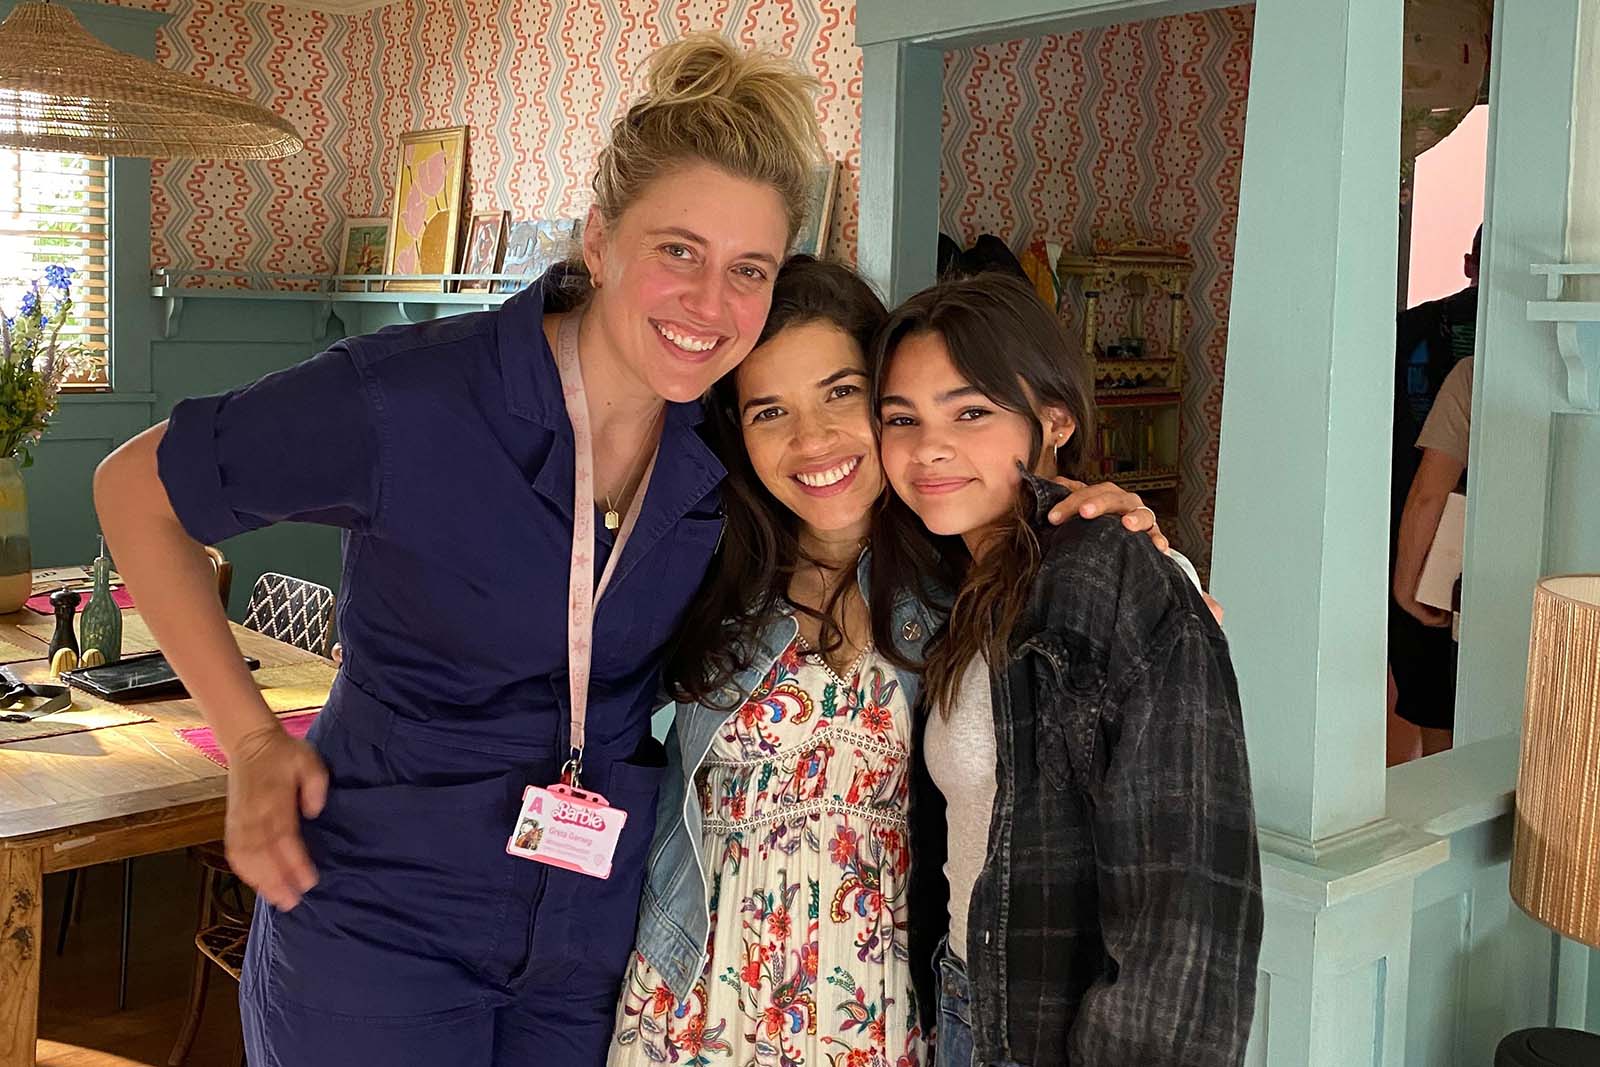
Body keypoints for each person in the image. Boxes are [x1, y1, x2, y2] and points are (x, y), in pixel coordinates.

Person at [93, 35, 825, 1067]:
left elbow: (891, 478)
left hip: (587, 939)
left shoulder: (727, 441)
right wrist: (253, 741)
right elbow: (134, 491)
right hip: (378, 922)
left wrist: (1069, 498)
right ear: (601, 241)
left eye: (747, 269)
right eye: (678, 251)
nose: (711, 304)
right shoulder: (409, 399)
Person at [610, 258, 1178, 1067]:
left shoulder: (968, 585)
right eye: (770, 409)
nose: (812, 439)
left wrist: (1108, 525)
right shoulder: (703, 570)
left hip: (877, 1005)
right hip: (698, 1001)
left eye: (842, 393)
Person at [872, 274, 1262, 1066]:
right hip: (956, 1000)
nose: (928, 447)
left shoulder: (1113, 579)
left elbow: (1187, 909)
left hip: (1052, 1031)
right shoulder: (950, 583)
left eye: (970, 411)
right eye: (901, 419)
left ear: (1054, 419)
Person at [1389, 226, 1479, 762]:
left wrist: (1404, 584)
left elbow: (1427, 492)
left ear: (1471, 263)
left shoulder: (1416, 329)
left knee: (1435, 696)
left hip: (1431, 521)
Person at [1392, 355, 1473, 756]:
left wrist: (1407, 587)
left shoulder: (1475, 372)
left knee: (1441, 719)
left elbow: (1429, 494)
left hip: (1468, 578)